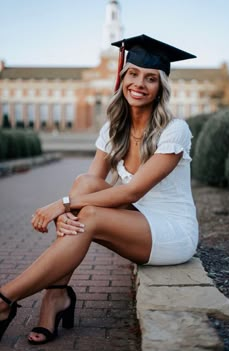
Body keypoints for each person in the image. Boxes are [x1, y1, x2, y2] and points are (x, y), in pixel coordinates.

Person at [0, 34, 198, 345]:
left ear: (161, 87)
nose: (140, 84)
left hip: (170, 231)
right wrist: (70, 208)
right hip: (136, 220)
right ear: (122, 78)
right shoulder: (113, 128)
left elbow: (130, 193)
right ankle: (55, 298)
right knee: (84, 185)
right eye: (133, 74)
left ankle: (6, 299)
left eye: (151, 78)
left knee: (85, 213)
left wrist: (63, 205)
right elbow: (89, 185)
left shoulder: (174, 129)